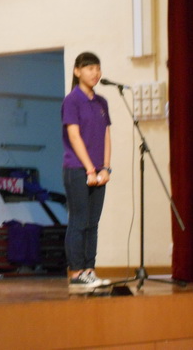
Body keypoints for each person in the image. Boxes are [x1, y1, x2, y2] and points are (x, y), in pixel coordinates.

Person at [62, 52, 113, 293]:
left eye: (97, 68)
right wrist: (90, 169)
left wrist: (105, 167)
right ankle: (76, 272)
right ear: (77, 71)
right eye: (90, 68)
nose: (95, 73)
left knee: (93, 223)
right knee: (79, 221)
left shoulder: (101, 102)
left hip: (98, 171)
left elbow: (106, 136)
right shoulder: (72, 100)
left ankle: (89, 270)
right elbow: (74, 136)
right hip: (77, 170)